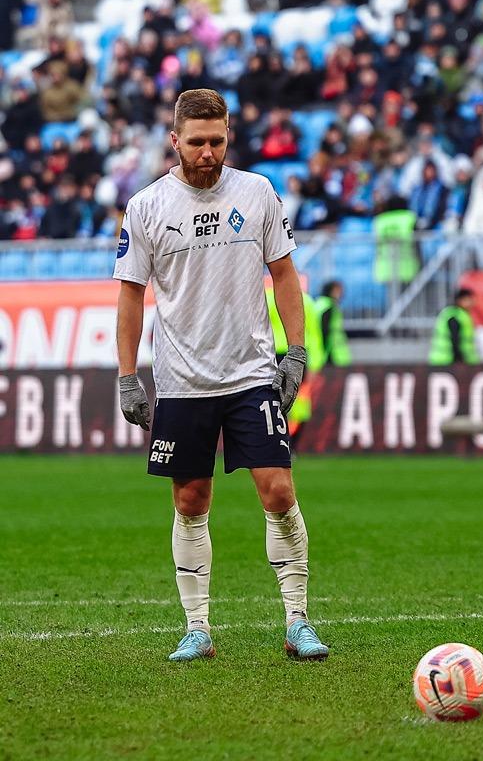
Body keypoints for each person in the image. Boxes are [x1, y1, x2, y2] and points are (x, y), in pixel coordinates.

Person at [114, 88, 329, 661]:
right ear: (174, 140)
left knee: (278, 490)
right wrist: (128, 375)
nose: (207, 153)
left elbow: (284, 275)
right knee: (190, 499)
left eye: (217, 141)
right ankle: (197, 627)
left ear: (228, 135)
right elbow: (131, 296)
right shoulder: (147, 207)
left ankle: (298, 620)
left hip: (251, 372)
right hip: (183, 379)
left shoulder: (257, 193)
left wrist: (296, 352)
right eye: (196, 142)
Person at [266, 285, 327, 442]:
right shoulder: (305, 300)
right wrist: (315, 364)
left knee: (272, 400)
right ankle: (290, 442)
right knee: (298, 401)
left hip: (270, 355)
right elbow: (314, 335)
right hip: (297, 354)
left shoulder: (264, 297)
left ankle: (278, 440)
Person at [429, 288, 479, 365]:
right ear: (460, 300)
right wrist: (459, 360)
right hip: (447, 361)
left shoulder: (455, 313)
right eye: (469, 300)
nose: (472, 303)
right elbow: (455, 339)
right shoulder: (455, 315)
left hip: (443, 361)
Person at [315, 280, 352, 367]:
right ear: (332, 290)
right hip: (332, 354)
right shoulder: (329, 306)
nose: (342, 293)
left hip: (322, 354)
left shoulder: (319, 304)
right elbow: (324, 330)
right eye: (339, 290)